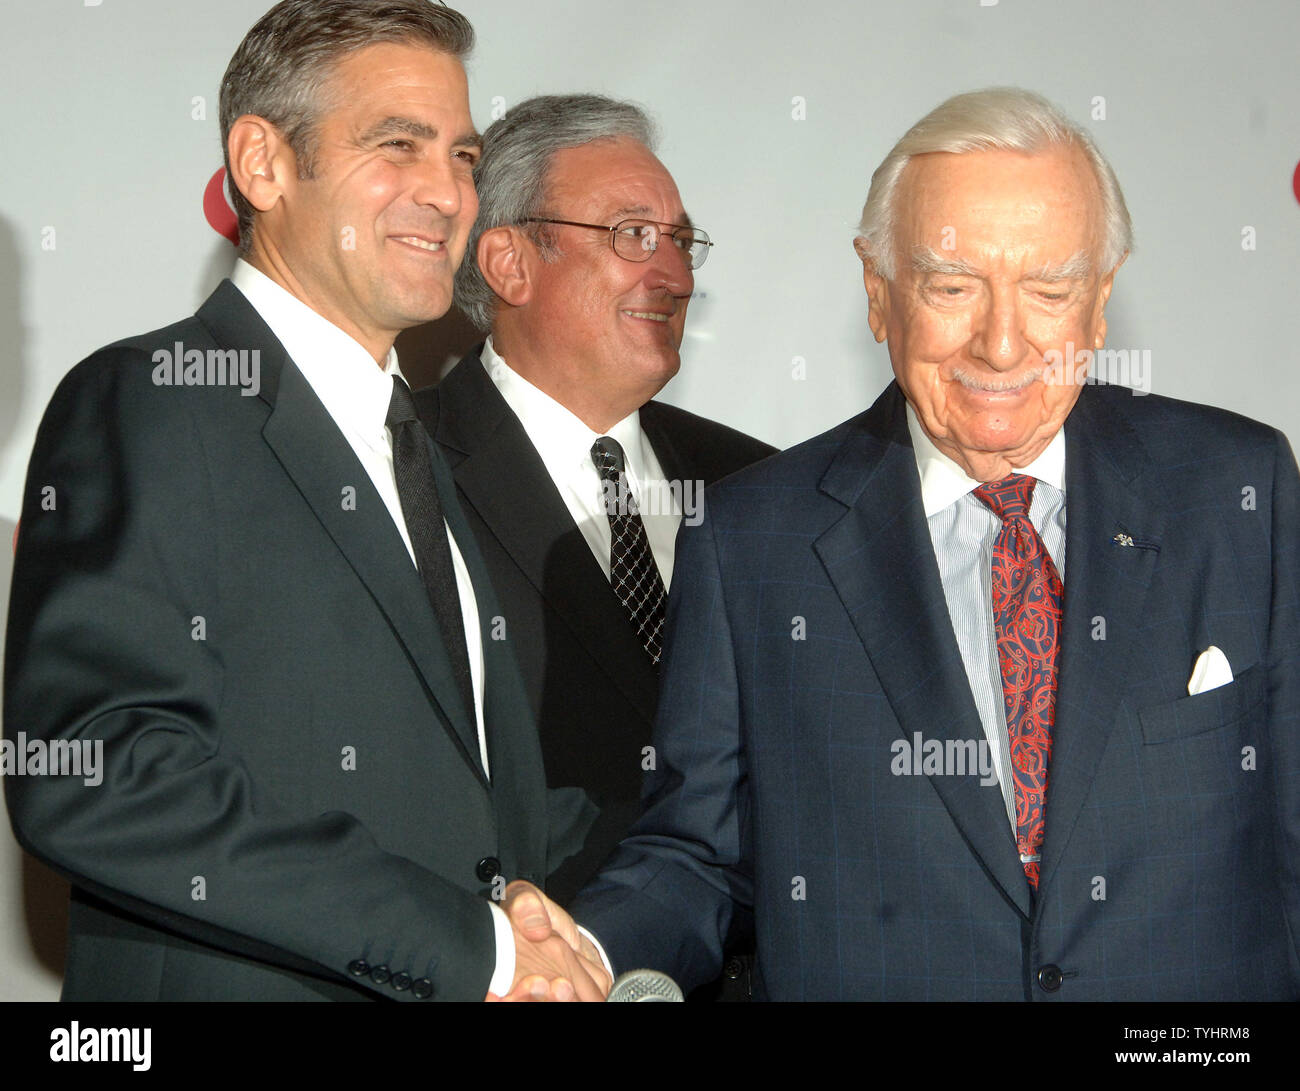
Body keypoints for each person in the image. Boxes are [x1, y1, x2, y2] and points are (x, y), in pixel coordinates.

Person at [506, 86, 1300, 1001]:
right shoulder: (752, 540)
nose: (1003, 344)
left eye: (1048, 289)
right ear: (879, 294)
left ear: (1099, 303)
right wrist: (587, 954)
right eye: (953, 287)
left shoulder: (1235, 489)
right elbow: (700, 855)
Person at [4, 0, 607, 1003]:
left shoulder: (416, 448)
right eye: (396, 145)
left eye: (460, 155)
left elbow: (470, 798)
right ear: (263, 163)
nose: (448, 193)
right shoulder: (156, 400)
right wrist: (478, 949)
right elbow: (98, 771)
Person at [413, 95, 773, 909]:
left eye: (681, 241)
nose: (675, 275)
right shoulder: (401, 467)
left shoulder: (759, 486)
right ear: (509, 263)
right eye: (633, 235)